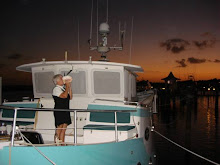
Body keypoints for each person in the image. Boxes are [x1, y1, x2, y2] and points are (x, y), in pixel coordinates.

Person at [52, 74, 72, 145]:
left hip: (65, 110)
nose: (63, 79)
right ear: (57, 81)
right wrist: (66, 86)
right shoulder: (56, 89)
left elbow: (70, 97)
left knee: (64, 129)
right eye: (61, 79)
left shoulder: (63, 88)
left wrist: (69, 86)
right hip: (59, 110)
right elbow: (64, 96)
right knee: (59, 128)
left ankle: (62, 143)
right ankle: (56, 143)